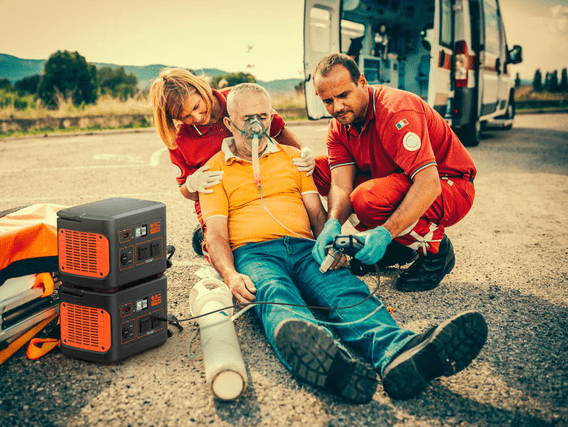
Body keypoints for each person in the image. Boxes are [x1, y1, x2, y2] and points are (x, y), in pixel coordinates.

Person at [199, 83, 487, 403]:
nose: (256, 125)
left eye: (263, 116)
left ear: (271, 118)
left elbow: (315, 212)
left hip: (305, 247)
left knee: (346, 291)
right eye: (247, 117)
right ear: (229, 123)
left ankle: (400, 352)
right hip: (254, 253)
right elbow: (216, 235)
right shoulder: (213, 171)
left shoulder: (293, 160)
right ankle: (330, 362)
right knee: (274, 293)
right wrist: (230, 274)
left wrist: (331, 243)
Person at [311, 53, 477, 292]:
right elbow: (339, 185)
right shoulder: (339, 125)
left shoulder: (396, 111)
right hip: (399, 180)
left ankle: (437, 250)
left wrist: (384, 233)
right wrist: (332, 223)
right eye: (328, 101)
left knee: (366, 199)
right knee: (318, 171)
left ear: (362, 83)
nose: (337, 107)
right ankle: (401, 244)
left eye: (343, 95)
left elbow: (428, 183)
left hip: (449, 185)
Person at [150, 68, 331, 258]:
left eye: (196, 107)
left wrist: (304, 152)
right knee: (228, 248)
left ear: (201, 88)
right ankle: (202, 235)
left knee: (318, 174)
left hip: (265, 184)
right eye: (185, 117)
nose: (196, 118)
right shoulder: (178, 137)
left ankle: (353, 226)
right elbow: (186, 191)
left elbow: (279, 132)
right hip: (223, 201)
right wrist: (191, 184)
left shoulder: (241, 99)